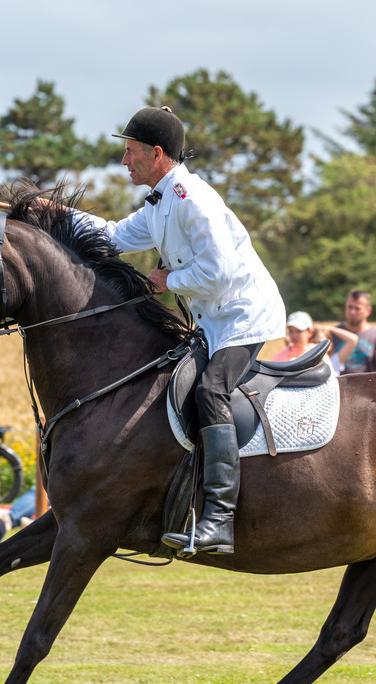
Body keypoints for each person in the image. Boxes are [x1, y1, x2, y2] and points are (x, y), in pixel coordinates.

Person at [71, 106, 286, 555]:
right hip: (214, 320)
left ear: (156, 153)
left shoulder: (192, 198)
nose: (124, 162)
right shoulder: (159, 201)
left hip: (243, 316)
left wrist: (170, 282)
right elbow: (111, 236)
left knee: (211, 392)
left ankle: (220, 521)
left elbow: (222, 272)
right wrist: (53, 214)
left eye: (130, 153)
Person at [273, 311, 358, 373]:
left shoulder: (318, 353)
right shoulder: (279, 356)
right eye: (291, 331)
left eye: (298, 331)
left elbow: (329, 381)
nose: (294, 335)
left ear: (309, 332)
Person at [335, 290, 376, 374]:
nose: (352, 312)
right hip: (337, 385)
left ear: (368, 311)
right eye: (349, 307)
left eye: (357, 308)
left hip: (367, 385)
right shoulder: (334, 333)